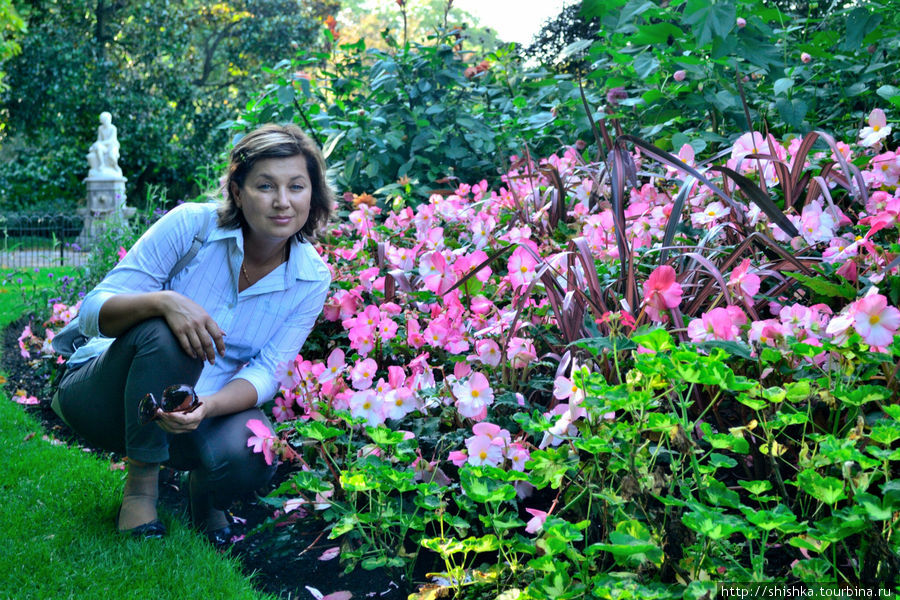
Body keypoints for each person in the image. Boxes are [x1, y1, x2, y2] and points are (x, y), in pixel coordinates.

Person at [54, 123, 333, 543]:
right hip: (106, 399)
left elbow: (268, 371)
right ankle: (141, 491)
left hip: (195, 412)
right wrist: (166, 302)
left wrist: (208, 406)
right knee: (170, 333)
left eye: (296, 186)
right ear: (237, 191)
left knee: (255, 453)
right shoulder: (192, 226)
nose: (282, 202)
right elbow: (93, 311)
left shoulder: (311, 277)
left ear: (312, 194)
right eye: (265, 186)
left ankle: (205, 496)